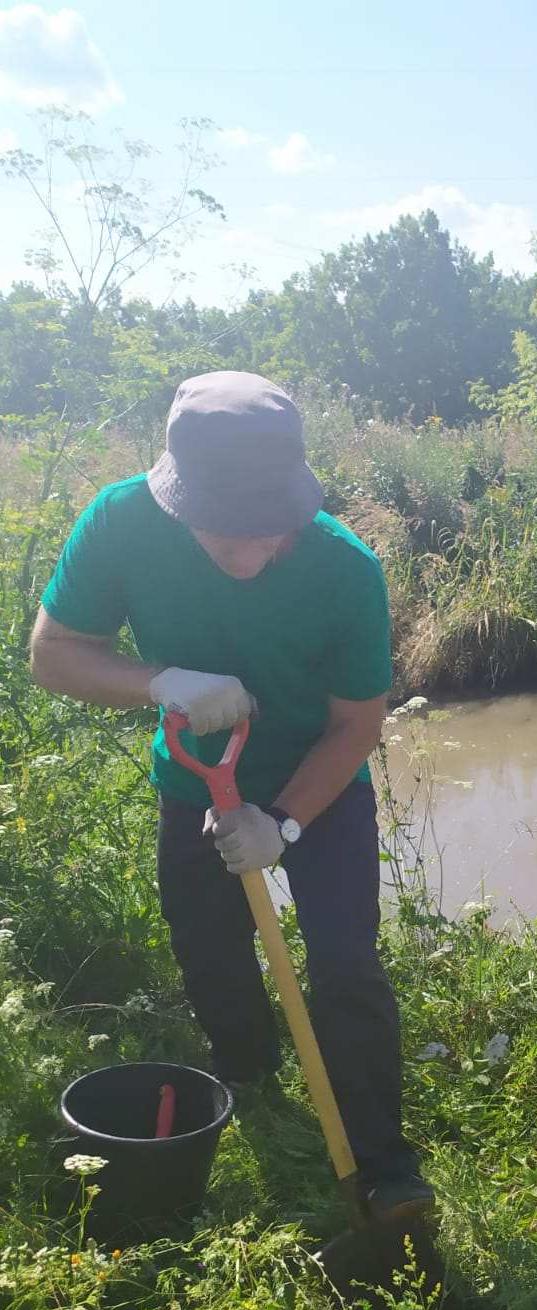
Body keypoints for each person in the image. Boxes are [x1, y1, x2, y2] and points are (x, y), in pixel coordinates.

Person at [30, 370, 433, 1216]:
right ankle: (251, 1078)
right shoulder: (119, 522)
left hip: (318, 784)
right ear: (179, 503)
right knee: (209, 949)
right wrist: (157, 681)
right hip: (195, 779)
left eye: (269, 531)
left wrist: (282, 822)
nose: (250, 557)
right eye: (226, 534)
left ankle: (381, 1160)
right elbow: (54, 652)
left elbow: (357, 725)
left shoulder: (346, 568)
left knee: (346, 963)